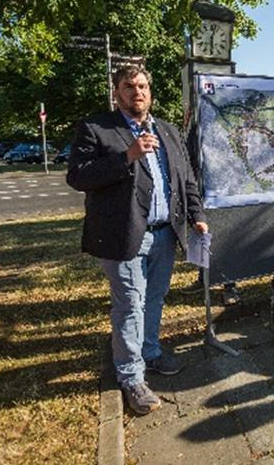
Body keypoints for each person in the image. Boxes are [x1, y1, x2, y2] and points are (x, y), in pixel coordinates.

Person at [67, 66, 208, 415]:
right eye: (129, 87)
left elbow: (187, 180)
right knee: (130, 303)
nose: (137, 92)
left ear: (151, 93)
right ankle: (131, 376)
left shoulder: (169, 132)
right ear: (117, 93)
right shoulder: (96, 128)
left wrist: (197, 217)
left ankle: (150, 352)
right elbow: (78, 177)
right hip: (123, 236)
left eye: (143, 86)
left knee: (154, 298)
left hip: (164, 234)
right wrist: (127, 156)